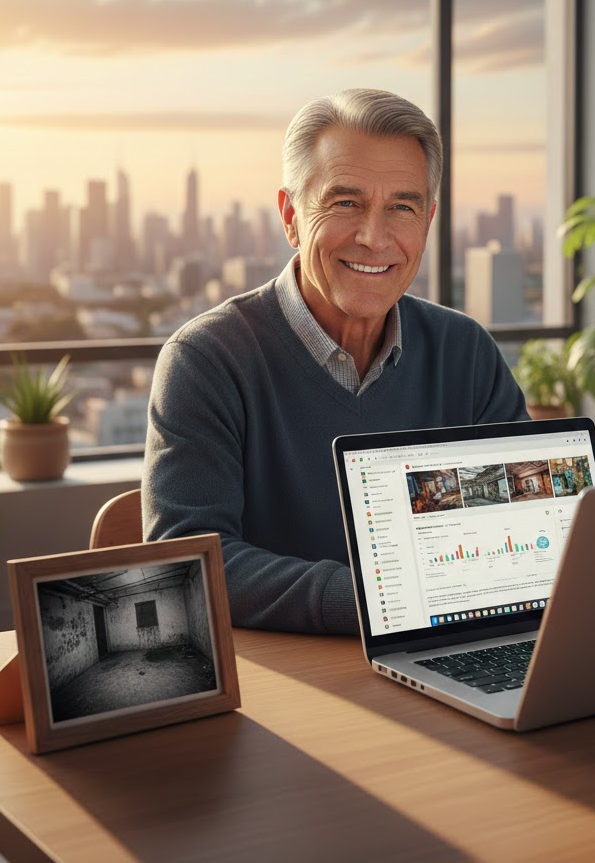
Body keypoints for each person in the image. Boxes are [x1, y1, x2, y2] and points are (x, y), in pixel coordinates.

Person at [143, 88, 528, 634]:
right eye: (346, 202)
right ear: (291, 216)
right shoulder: (206, 361)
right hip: (286, 691)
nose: (374, 237)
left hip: (451, 654)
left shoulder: (464, 352)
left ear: (429, 220)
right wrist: (381, 600)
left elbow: (526, 522)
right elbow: (188, 564)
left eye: (403, 207)